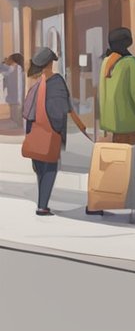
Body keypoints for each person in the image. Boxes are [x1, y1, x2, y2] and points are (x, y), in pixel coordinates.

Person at [92, 27, 135, 216]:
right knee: (133, 166)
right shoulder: (130, 62)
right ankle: (132, 202)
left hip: (110, 125)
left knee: (113, 164)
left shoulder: (107, 61)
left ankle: (109, 199)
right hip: (130, 124)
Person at [21, 47, 90, 215]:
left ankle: (41, 203)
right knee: (50, 169)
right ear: (50, 63)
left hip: (34, 134)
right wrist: (58, 132)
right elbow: (60, 110)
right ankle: (42, 206)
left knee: (40, 171)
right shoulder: (56, 81)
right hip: (49, 132)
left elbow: (27, 112)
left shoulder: (36, 84)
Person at [4, 53, 23, 128]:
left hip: (16, 99)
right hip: (14, 98)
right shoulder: (14, 69)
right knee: (15, 118)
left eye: (9, 59)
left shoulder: (16, 69)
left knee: (16, 118)